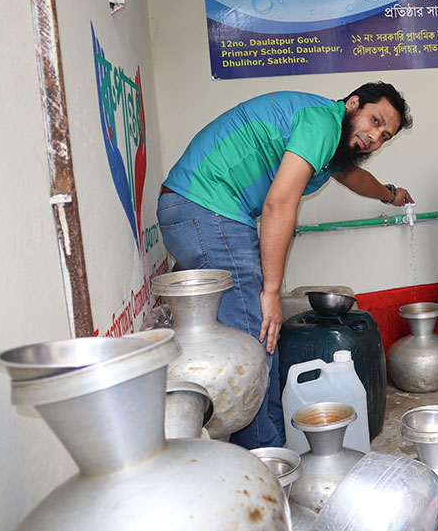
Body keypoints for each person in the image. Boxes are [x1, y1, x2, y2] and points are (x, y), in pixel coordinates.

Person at [157, 82, 413, 448]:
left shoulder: (329, 139)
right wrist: (272, 292)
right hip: (207, 208)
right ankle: (269, 463)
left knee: (247, 341)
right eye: (374, 121)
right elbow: (279, 204)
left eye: (384, 135)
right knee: (259, 339)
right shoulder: (322, 123)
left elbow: (353, 176)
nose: (374, 137)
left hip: (190, 207)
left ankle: (259, 447)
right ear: (353, 103)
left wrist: (391, 195)